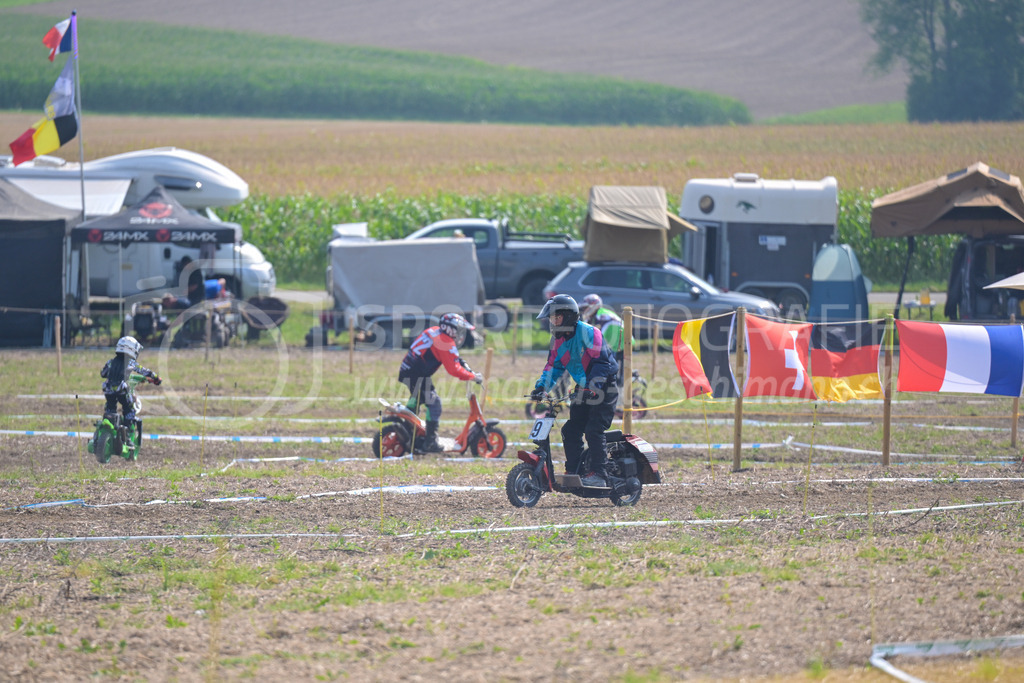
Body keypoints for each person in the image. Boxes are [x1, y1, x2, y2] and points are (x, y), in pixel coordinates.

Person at [531, 294, 619, 487]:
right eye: (551, 319)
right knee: (570, 429)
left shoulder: (590, 332)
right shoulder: (558, 341)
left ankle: (600, 474)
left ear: (569, 316)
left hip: (604, 386)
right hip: (583, 387)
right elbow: (553, 367)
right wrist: (540, 387)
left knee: (593, 429)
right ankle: (575, 471)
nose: (552, 323)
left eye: (556, 318)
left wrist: (592, 387)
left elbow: (601, 363)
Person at [398, 312, 483, 453]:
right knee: (434, 404)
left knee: (417, 399)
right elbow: (453, 369)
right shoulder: (445, 342)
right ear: (450, 328)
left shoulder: (433, 331)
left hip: (409, 369)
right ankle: (430, 442)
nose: (460, 334)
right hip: (417, 374)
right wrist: (472, 377)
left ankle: (409, 432)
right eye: (458, 330)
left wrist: (463, 365)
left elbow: (452, 357)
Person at [100, 336, 161, 447]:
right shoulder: (131, 363)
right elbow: (145, 371)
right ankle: (127, 437)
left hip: (108, 389)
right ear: (132, 350)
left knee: (110, 407)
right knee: (129, 409)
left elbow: (103, 374)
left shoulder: (110, 362)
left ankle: (107, 426)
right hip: (122, 389)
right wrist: (156, 378)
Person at [580, 293, 627, 387]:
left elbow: (598, 337)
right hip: (617, 343)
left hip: (620, 344)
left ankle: (618, 392)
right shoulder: (598, 314)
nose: (584, 311)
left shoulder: (601, 316)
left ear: (593, 306)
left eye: (586, 308)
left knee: (610, 370)